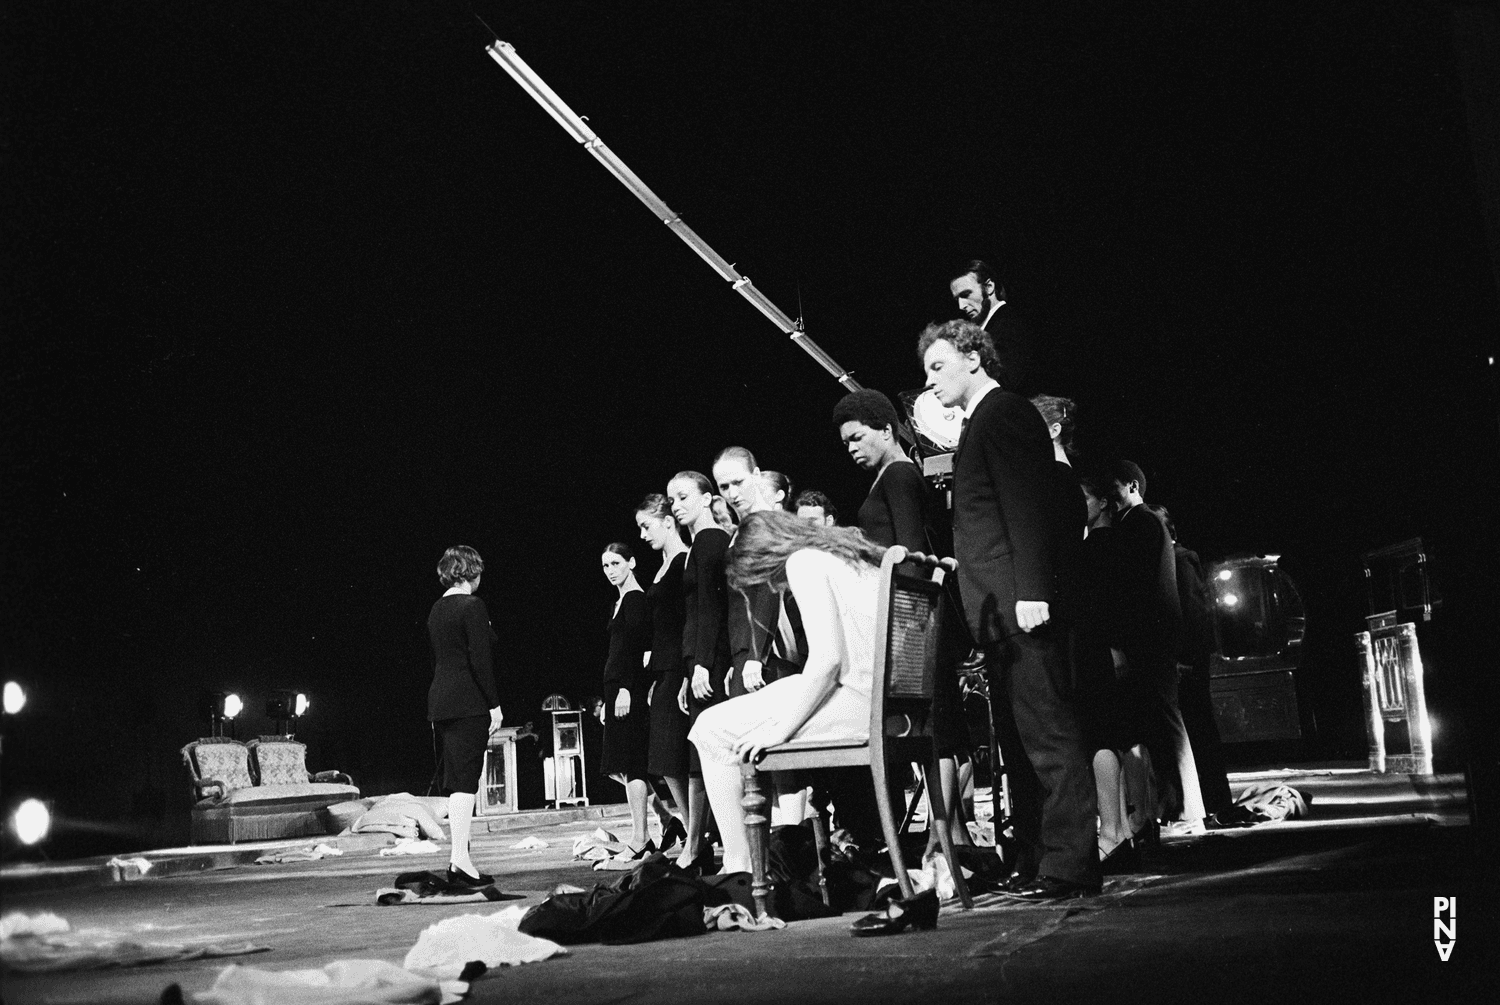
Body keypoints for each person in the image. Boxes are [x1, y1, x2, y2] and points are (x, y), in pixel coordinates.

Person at [919, 320, 1099, 900]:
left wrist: (1032, 591)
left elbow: (1028, 509)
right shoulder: (984, 422)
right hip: (998, 610)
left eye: (938, 365)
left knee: (1048, 733)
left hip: (1021, 606)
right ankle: (1037, 857)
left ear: (974, 357)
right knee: (1022, 743)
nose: (930, 380)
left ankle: (1070, 864)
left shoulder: (1003, 413)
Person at [689, 510, 887, 875]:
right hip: (883, 700)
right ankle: (747, 864)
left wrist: (780, 730)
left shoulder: (803, 562)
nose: (774, 588)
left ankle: (740, 868)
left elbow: (827, 661)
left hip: (861, 706)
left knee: (711, 729)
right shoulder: (844, 554)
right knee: (764, 699)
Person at [833, 387, 974, 851]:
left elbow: (915, 556)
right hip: (910, 621)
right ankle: (950, 838)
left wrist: (909, 630)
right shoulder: (890, 477)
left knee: (938, 728)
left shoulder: (898, 475)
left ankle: (946, 838)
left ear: (887, 430)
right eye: (845, 442)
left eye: (857, 437)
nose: (851, 448)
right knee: (932, 727)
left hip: (916, 624)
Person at [1099, 461, 1205, 830]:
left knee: (1165, 723)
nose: (1107, 492)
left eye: (1113, 485)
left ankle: (1185, 808)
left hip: (1149, 640)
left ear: (1132, 485)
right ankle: (1177, 806)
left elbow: (1134, 587)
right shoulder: (1143, 523)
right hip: (1153, 639)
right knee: (1162, 723)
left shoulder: (1140, 523)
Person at [1149, 504, 1233, 821]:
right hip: (1181, 660)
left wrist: (1186, 657)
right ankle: (1205, 801)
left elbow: (1195, 614)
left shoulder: (1180, 559)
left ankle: (1215, 801)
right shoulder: (1166, 561)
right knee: (1192, 730)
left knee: (1199, 728)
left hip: (1189, 662)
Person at [426, 545, 503, 889]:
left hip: (442, 700)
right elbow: (481, 661)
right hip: (468, 701)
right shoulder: (472, 606)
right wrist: (494, 705)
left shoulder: (437, 609)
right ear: (472, 572)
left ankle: (461, 859)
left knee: (459, 780)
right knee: (465, 783)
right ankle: (459, 860)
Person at [670, 470, 734, 871]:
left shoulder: (712, 541)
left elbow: (713, 611)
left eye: (682, 497)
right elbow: (694, 615)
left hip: (712, 663)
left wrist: (703, 666)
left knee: (708, 754)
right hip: (699, 663)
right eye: (672, 500)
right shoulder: (698, 545)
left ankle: (699, 846)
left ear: (708, 498)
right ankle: (697, 844)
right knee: (699, 754)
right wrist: (687, 670)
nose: (676, 506)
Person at [636, 494, 691, 852]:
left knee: (674, 757)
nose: (642, 535)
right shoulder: (662, 565)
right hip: (663, 670)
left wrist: (687, 673)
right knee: (665, 759)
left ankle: (696, 833)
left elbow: (689, 619)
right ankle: (691, 828)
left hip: (678, 668)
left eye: (646, 526)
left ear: (668, 521)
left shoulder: (684, 560)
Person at [598, 542, 654, 856]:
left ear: (631, 563)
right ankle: (663, 818)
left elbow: (637, 651)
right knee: (619, 763)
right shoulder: (619, 602)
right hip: (615, 688)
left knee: (632, 764)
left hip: (626, 689)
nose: (610, 571)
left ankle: (640, 836)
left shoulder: (635, 600)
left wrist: (626, 690)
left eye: (616, 563)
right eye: (606, 566)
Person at [947, 259, 1037, 394]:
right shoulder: (985, 328)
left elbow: (1004, 383)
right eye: (957, 299)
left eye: (966, 295)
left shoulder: (1011, 324)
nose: (961, 306)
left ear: (989, 287)